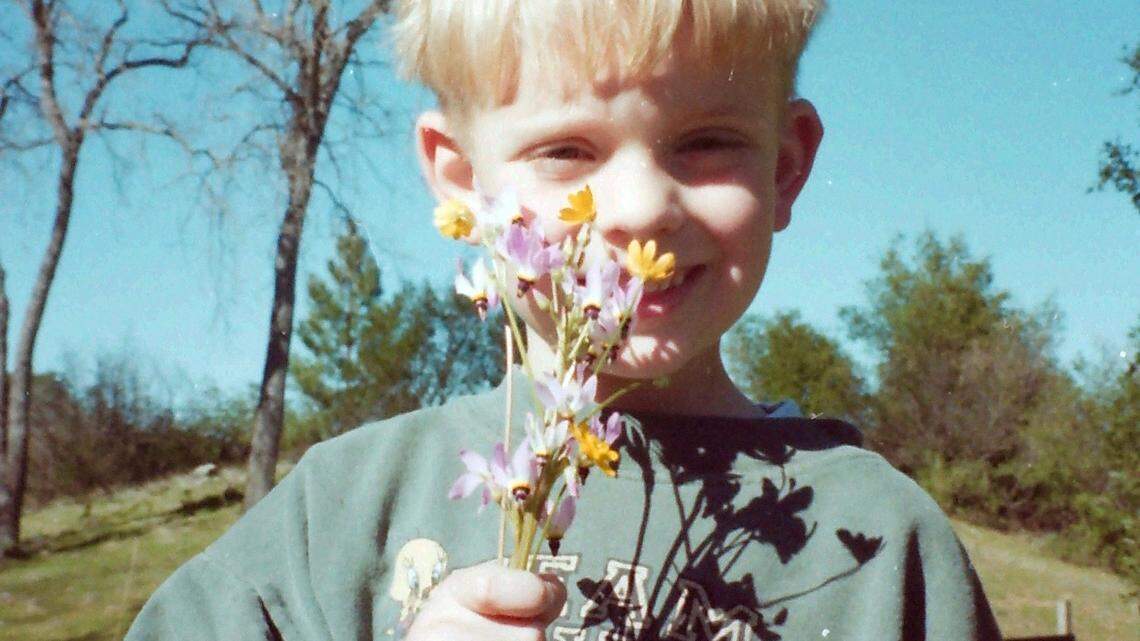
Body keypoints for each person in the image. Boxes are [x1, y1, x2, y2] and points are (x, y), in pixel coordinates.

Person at [126, 2, 1002, 640]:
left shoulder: (883, 543)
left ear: (785, 166)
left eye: (704, 143)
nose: (639, 209)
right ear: (462, 179)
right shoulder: (345, 508)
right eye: (566, 153)